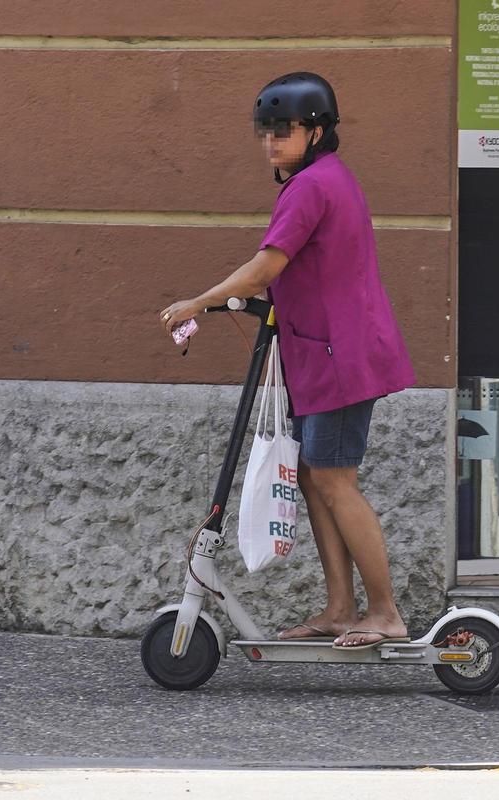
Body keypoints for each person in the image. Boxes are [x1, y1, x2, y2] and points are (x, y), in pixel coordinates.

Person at [161, 72, 416, 649]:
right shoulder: (324, 180)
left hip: (342, 359)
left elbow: (266, 266)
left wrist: (197, 302)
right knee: (312, 476)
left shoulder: (311, 186)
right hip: (324, 355)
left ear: (318, 130)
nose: (271, 142)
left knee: (335, 480)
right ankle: (340, 608)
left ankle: (384, 613)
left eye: (284, 130)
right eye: (265, 132)